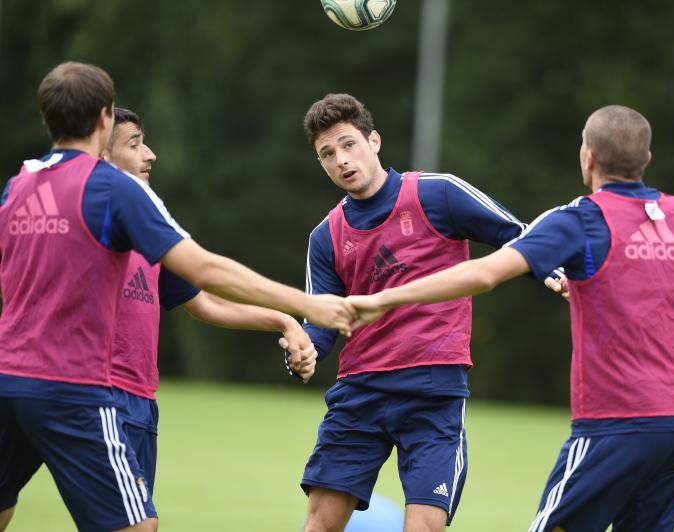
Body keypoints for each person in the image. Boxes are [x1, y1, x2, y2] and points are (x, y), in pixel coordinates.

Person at [348, 105, 674, 531]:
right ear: (646, 161)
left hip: (617, 424)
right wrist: (672, 359)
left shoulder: (581, 218)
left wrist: (382, 300)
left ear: (587, 157)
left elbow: (484, 274)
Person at [0, 62, 352, 532]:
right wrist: (307, 304)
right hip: (73, 388)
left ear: (48, 119)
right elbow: (205, 268)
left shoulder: (17, 187)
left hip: (8, 382)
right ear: (104, 119)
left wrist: (282, 321)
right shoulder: (111, 189)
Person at [291, 93, 526, 532]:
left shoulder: (438, 194)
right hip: (359, 394)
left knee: (423, 527)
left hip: (433, 394)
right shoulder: (325, 237)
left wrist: (554, 272)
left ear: (373, 141)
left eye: (348, 144)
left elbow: (519, 237)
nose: (340, 160)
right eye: (327, 154)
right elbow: (322, 324)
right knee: (319, 525)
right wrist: (305, 350)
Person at [100, 106, 318, 497]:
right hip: (96, 394)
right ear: (101, 154)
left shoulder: (148, 232)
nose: (150, 154)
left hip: (139, 402)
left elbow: (205, 303)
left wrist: (284, 320)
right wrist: (312, 306)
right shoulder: (83, 220)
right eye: (135, 144)